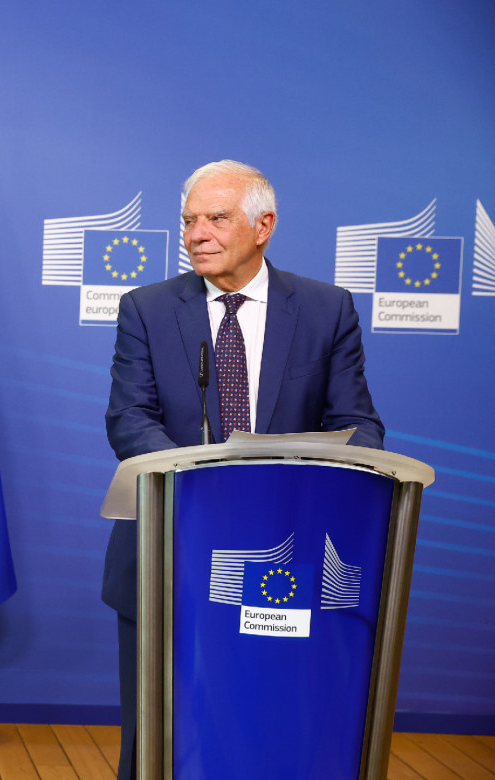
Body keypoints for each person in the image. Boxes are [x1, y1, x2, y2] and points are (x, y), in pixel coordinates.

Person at [101, 160, 385, 779]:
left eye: (216, 218)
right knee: (157, 736)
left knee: (270, 725)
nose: (195, 232)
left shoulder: (324, 309)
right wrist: (208, 489)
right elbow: (129, 419)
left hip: (287, 557)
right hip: (168, 551)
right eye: (188, 220)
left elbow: (359, 425)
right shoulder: (145, 308)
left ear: (264, 226)